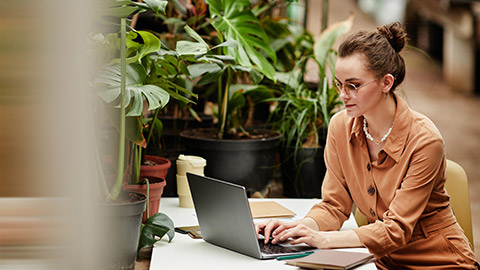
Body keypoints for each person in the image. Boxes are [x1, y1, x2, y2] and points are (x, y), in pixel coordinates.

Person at [255, 22, 478, 269]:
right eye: (339, 84)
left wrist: (323, 240)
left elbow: (396, 230)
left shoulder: (425, 141)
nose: (343, 95)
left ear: (386, 83)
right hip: (379, 262)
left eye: (354, 85)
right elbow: (334, 206)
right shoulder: (340, 126)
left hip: (440, 262)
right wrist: (298, 228)